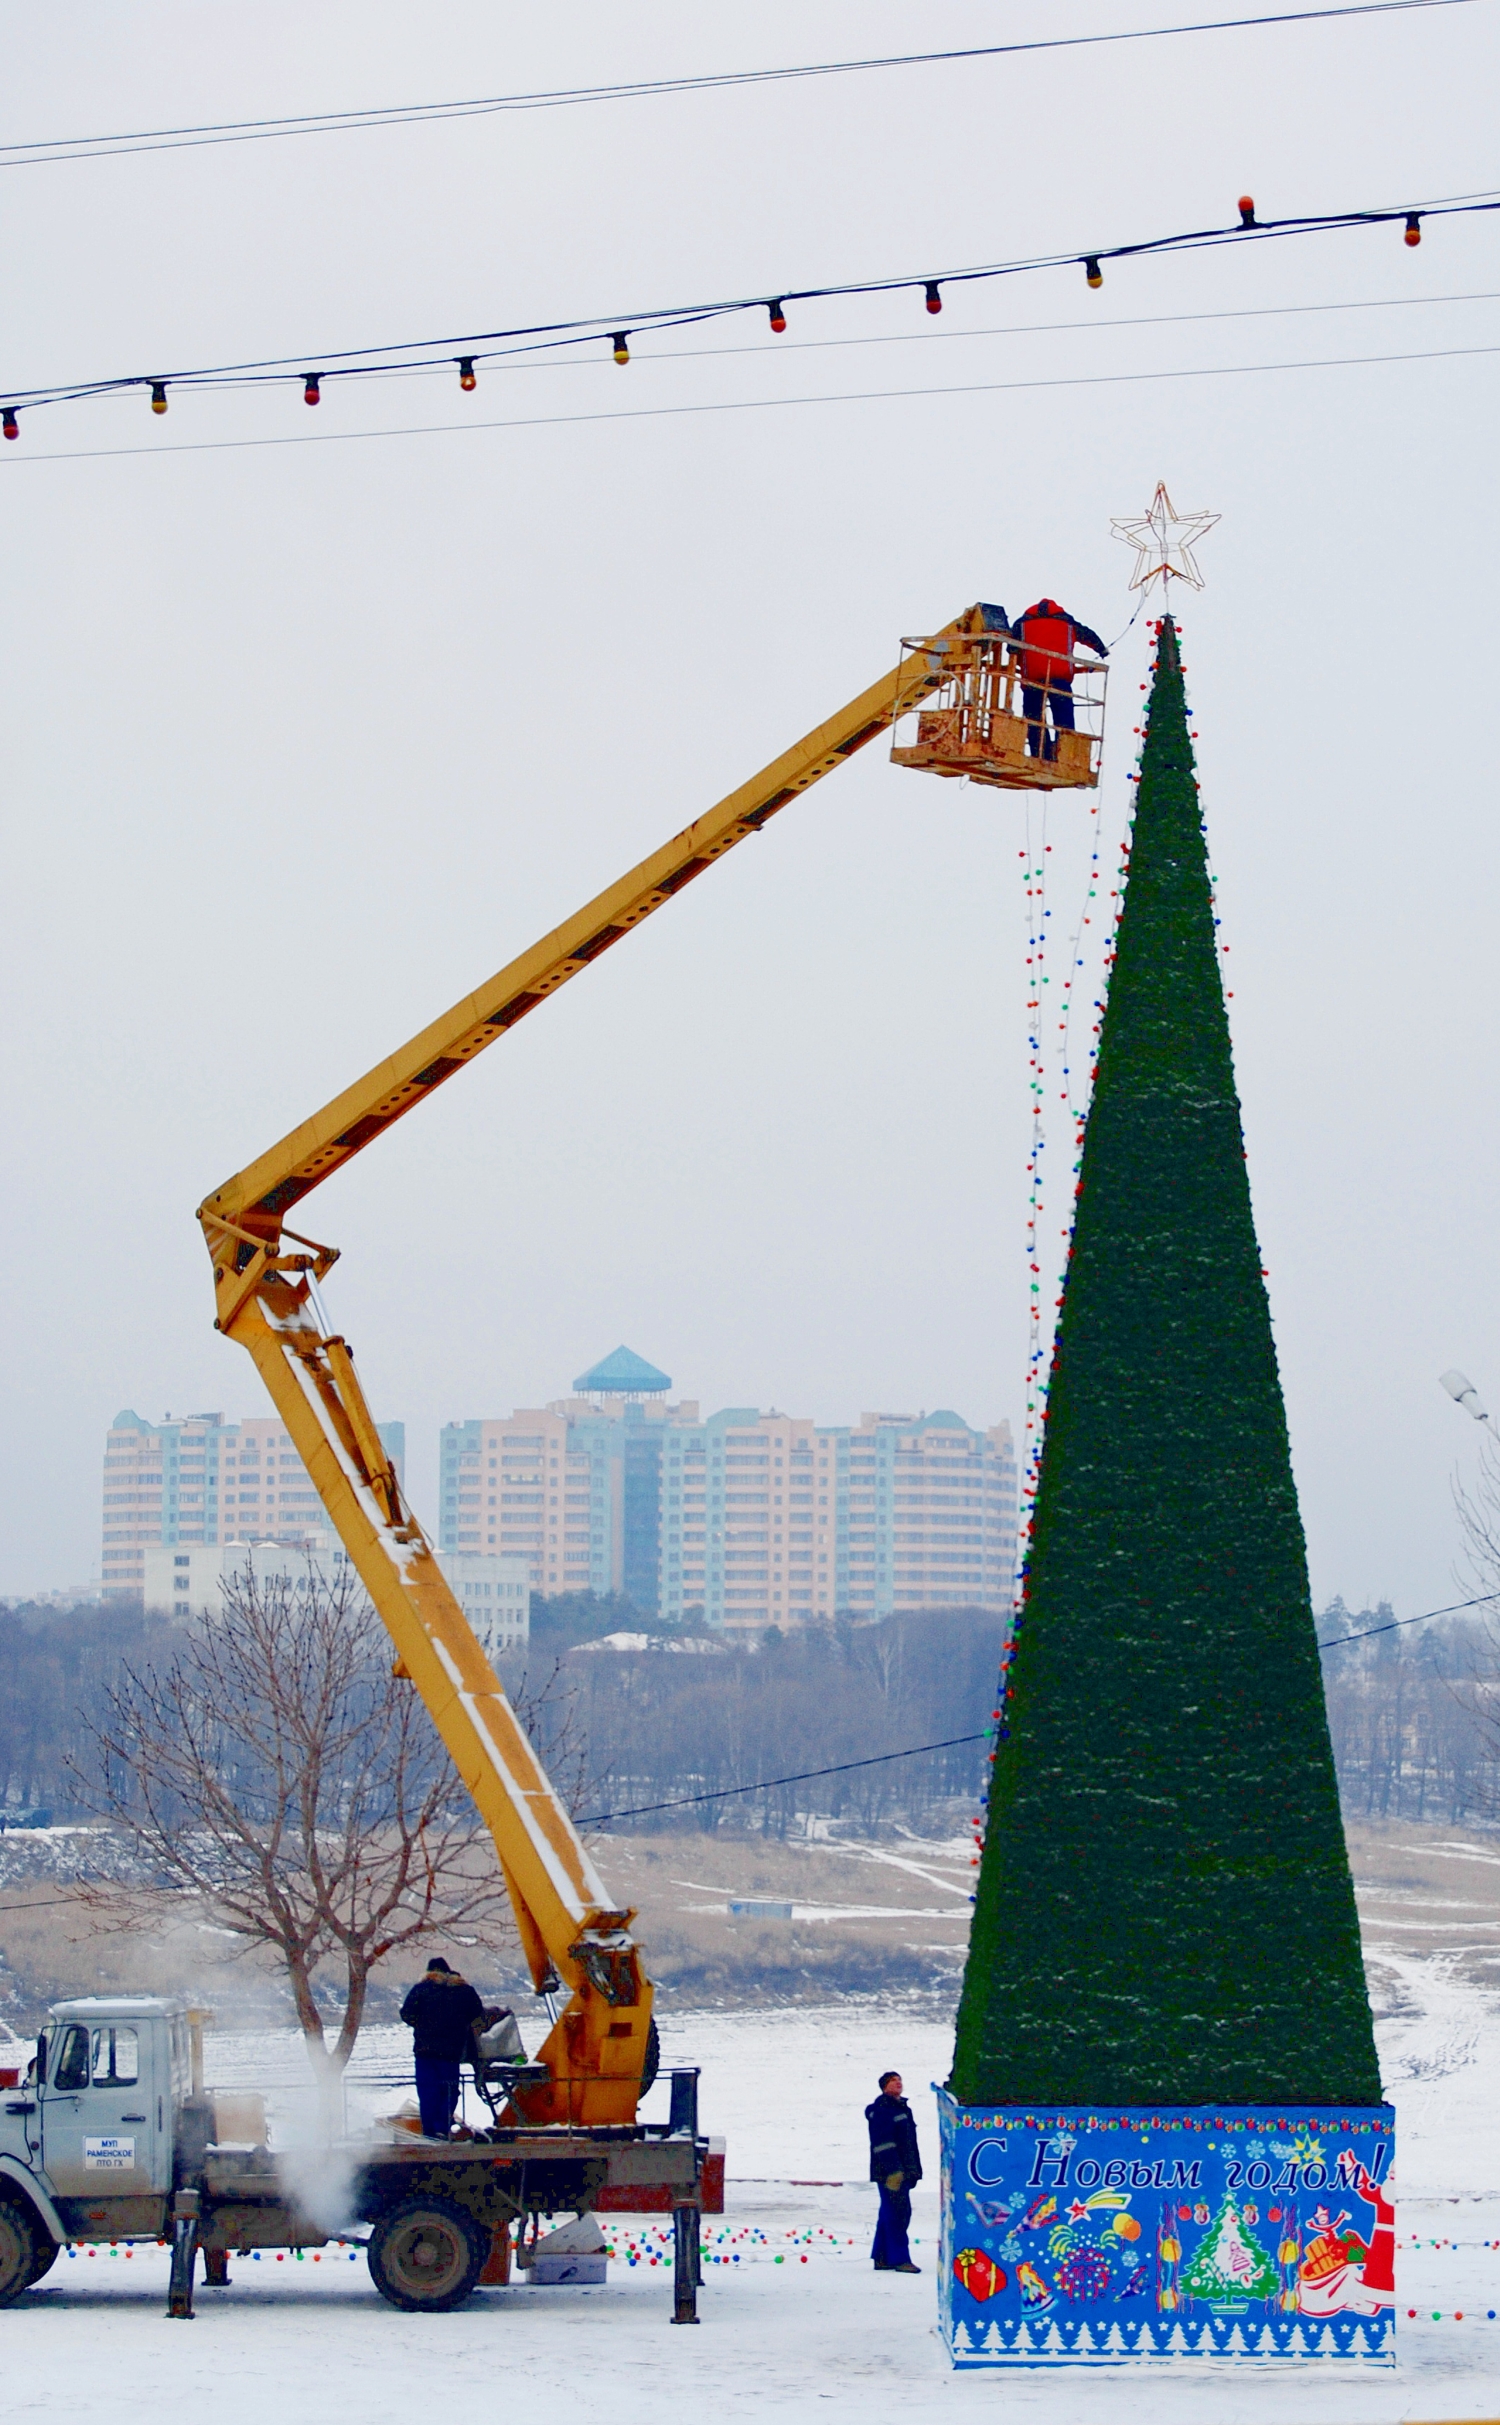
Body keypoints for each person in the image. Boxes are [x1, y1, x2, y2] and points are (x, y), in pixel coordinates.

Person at [399, 1954, 486, 2139]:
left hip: (425, 2052)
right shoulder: (463, 1991)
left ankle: (429, 2132)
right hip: (451, 2052)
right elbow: (478, 2012)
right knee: (449, 2090)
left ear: (429, 1972)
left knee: (427, 2091)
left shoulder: (421, 1989)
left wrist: (421, 2024)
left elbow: (406, 2014)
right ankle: (442, 2127)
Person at [1013, 598, 1108, 762]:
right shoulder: (1066, 622)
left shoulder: (1021, 624)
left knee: (1033, 717)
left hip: (1032, 679)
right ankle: (1065, 755)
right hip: (1060, 678)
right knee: (1063, 717)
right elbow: (1088, 635)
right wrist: (1102, 649)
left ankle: (1041, 754)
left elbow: (1011, 649)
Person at [866, 2071, 922, 2273]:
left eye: (899, 2080)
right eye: (892, 2081)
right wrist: (894, 2171)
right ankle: (900, 2259)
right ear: (884, 2086)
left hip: (904, 2170)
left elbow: (908, 2144)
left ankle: (881, 2257)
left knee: (889, 2213)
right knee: (898, 2214)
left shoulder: (901, 2108)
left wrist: (912, 2171)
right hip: (890, 2173)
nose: (898, 2083)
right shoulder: (883, 2109)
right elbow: (882, 2143)